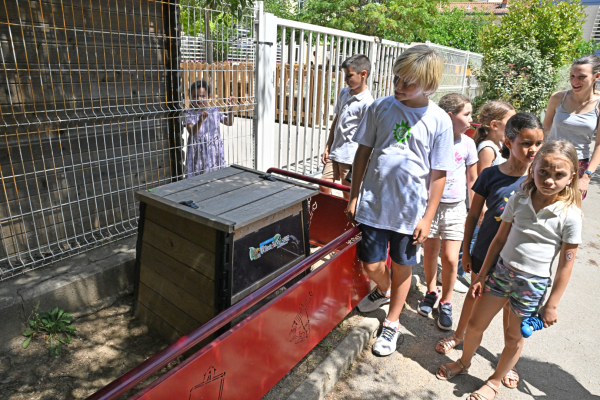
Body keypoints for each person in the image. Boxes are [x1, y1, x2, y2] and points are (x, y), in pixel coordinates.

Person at [436, 140, 582, 400]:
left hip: (532, 285)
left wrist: (552, 304)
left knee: (514, 336)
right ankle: (464, 362)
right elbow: (499, 240)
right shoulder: (519, 198)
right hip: (501, 274)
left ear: (571, 177)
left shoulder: (570, 215)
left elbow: (566, 263)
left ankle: (494, 381)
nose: (549, 180)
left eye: (559, 175)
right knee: (474, 323)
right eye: (543, 172)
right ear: (533, 169)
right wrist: (481, 276)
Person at [347, 45, 454, 356]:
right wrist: (354, 196)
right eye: (397, 78)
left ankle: (392, 322)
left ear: (430, 85)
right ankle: (384, 289)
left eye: (409, 82)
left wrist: (428, 216)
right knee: (371, 264)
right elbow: (363, 152)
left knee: (402, 265)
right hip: (375, 205)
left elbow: (438, 174)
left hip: (411, 213)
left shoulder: (439, 121)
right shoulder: (379, 107)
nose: (399, 86)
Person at [435, 113, 544, 389]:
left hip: (519, 261)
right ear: (509, 141)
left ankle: (509, 364)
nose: (533, 150)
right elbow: (473, 216)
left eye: (539, 143)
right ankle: (458, 336)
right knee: (474, 298)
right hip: (485, 252)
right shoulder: (491, 175)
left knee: (512, 312)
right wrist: (467, 252)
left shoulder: (541, 180)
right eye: (527, 143)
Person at [419, 93, 478, 330]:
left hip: (455, 209)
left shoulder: (468, 143)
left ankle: (447, 300)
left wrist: (475, 209)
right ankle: (431, 291)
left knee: (452, 258)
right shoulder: (432, 139)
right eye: (467, 114)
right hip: (431, 207)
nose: (471, 119)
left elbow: (473, 179)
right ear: (449, 116)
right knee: (430, 252)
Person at [456, 101, 516, 287]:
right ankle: (460, 272)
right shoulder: (488, 148)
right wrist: (482, 206)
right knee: (471, 237)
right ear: (495, 125)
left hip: (489, 206)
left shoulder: (497, 145)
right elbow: (481, 181)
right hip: (480, 205)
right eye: (510, 120)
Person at [544, 54, 600, 199]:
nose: (575, 81)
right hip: (549, 159)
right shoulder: (557, 98)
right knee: (541, 206)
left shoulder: (598, 105)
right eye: (572, 76)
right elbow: (544, 131)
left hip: (578, 164)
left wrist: (587, 176)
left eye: (582, 77)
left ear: (596, 76)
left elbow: (599, 144)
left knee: (569, 211)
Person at [321, 55, 374, 199]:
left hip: (351, 157)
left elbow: (367, 135)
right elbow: (336, 121)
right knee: (323, 185)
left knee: (348, 193)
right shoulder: (344, 93)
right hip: (335, 151)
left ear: (363, 74)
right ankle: (330, 212)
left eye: (349, 75)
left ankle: (346, 219)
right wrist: (328, 146)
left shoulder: (367, 102)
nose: (346, 79)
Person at [185, 80, 237, 177]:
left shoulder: (215, 111)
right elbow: (192, 132)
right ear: (191, 98)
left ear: (208, 97)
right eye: (195, 96)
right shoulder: (189, 113)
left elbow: (229, 122)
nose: (198, 99)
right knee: (197, 176)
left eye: (202, 96)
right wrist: (200, 121)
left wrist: (230, 110)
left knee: (214, 176)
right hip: (197, 151)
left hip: (213, 150)